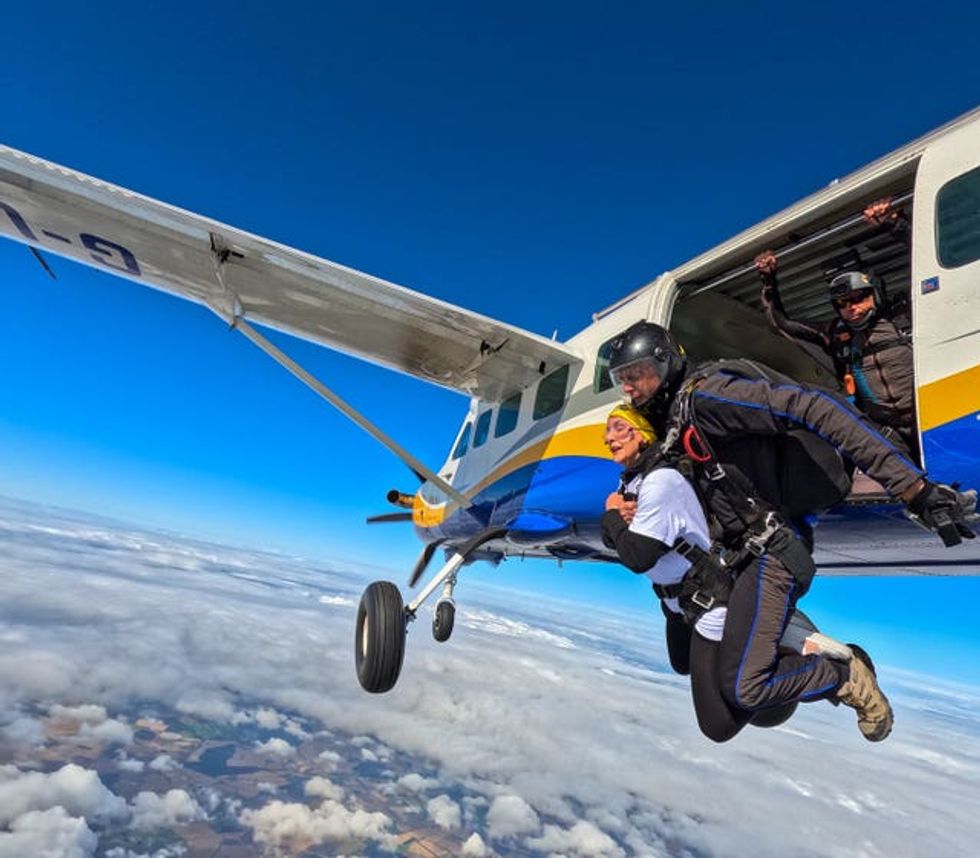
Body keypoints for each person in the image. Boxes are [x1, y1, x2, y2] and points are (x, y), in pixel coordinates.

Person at [607, 320, 977, 741]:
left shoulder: (707, 396)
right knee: (734, 703)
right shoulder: (676, 421)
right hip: (740, 557)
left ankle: (843, 671)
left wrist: (912, 487)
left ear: (666, 363)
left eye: (637, 375)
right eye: (622, 380)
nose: (630, 389)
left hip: (774, 551)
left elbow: (812, 406)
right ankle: (792, 643)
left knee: (748, 688)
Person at [600, 404, 849, 741]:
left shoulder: (660, 481)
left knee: (718, 725)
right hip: (678, 603)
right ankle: (766, 650)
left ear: (642, 434)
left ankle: (828, 667)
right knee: (681, 663)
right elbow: (614, 538)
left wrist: (613, 514)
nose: (607, 437)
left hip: (706, 598)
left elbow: (636, 556)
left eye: (618, 427)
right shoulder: (633, 484)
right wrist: (618, 516)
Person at [755, 198, 917, 459]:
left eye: (858, 298)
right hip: (887, 431)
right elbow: (780, 323)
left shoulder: (903, 312)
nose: (851, 308)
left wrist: (893, 223)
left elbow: (924, 258)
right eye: (842, 304)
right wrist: (768, 280)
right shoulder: (834, 333)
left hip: (929, 414)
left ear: (875, 293)